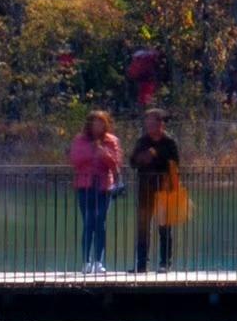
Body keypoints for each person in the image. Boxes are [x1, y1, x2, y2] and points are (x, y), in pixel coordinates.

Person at [129, 110, 187, 272]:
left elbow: (175, 164)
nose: (150, 126)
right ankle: (141, 265)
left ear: (161, 124)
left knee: (164, 227)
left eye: (153, 123)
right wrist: (142, 158)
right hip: (145, 189)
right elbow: (132, 162)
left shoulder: (169, 142)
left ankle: (165, 264)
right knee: (143, 227)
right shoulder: (142, 141)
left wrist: (156, 155)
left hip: (164, 188)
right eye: (147, 123)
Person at [69, 109, 122, 271]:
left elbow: (115, 163)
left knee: (100, 222)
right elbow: (75, 160)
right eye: (94, 123)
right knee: (88, 222)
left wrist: (103, 153)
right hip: (85, 185)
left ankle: (99, 262)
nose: (97, 126)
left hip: (104, 186)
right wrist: (92, 149)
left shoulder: (111, 140)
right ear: (89, 125)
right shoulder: (80, 140)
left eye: (101, 122)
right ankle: (86, 262)